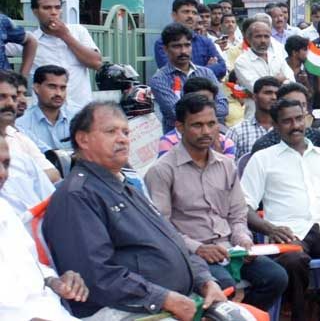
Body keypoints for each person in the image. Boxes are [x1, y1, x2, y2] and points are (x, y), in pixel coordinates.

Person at [43, 102, 227, 319]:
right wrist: (164, 298)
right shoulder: (77, 195)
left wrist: (205, 281)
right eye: (111, 131)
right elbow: (95, 275)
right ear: (83, 139)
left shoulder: (126, 185)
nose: (123, 139)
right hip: (124, 310)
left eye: (125, 132)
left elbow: (173, 240)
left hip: (171, 301)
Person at [147, 93, 287, 310]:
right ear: (180, 127)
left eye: (211, 124)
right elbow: (162, 228)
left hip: (230, 249)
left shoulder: (226, 165)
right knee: (224, 284)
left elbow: (237, 214)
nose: (206, 131)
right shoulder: (162, 170)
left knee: (276, 277)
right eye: (197, 125)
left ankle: (239, 315)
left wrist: (243, 239)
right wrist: (199, 248)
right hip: (190, 255)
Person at [242, 98, 320, 321]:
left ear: (307, 119)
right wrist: (269, 228)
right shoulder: (262, 159)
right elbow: (244, 207)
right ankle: (300, 314)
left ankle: (319, 308)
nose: (295, 126)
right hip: (287, 232)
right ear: (275, 125)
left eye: (299, 119)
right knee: (293, 261)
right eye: (287, 121)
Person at [0, 134, 89, 321]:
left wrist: (55, 281)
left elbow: (30, 265)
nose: (2, 174)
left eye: (6, 164)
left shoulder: (4, 209)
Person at [29, 0, 102, 109]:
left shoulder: (78, 31)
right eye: (47, 8)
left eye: (57, 7)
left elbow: (96, 63)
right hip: (47, 112)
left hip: (80, 109)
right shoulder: (31, 40)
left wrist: (65, 35)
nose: (53, 12)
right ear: (35, 11)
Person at [150, 23, 229, 133]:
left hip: (212, 135)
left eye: (187, 45)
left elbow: (224, 108)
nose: (183, 51)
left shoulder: (206, 73)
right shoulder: (159, 79)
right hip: (178, 138)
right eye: (176, 46)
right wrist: (209, 107)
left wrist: (191, 107)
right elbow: (177, 113)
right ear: (165, 49)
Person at [0, 69, 56, 212]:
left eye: (13, 97)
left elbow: (53, 177)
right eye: (2, 97)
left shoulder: (20, 141)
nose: (10, 103)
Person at [250, 83, 320, 154]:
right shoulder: (264, 146)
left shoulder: (314, 135)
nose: (297, 109)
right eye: (292, 104)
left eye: (303, 105)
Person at [157, 78, 236, 158]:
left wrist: (217, 145)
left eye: (209, 102)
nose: (206, 131)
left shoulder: (225, 142)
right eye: (197, 125)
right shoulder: (169, 142)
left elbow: (227, 165)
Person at [152, 0, 226, 79]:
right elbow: (172, 73)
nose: (190, 16)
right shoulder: (163, 43)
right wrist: (206, 70)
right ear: (174, 15)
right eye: (186, 12)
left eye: (194, 13)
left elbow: (222, 68)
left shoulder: (205, 42)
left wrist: (193, 72)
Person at [16, 65, 73, 151]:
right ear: (36, 88)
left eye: (63, 88)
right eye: (52, 87)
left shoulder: (77, 118)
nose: (59, 93)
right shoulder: (20, 123)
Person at [228, 76, 280, 159]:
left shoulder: (285, 129)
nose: (274, 97)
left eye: (277, 94)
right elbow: (230, 164)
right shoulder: (237, 132)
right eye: (268, 93)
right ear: (255, 97)